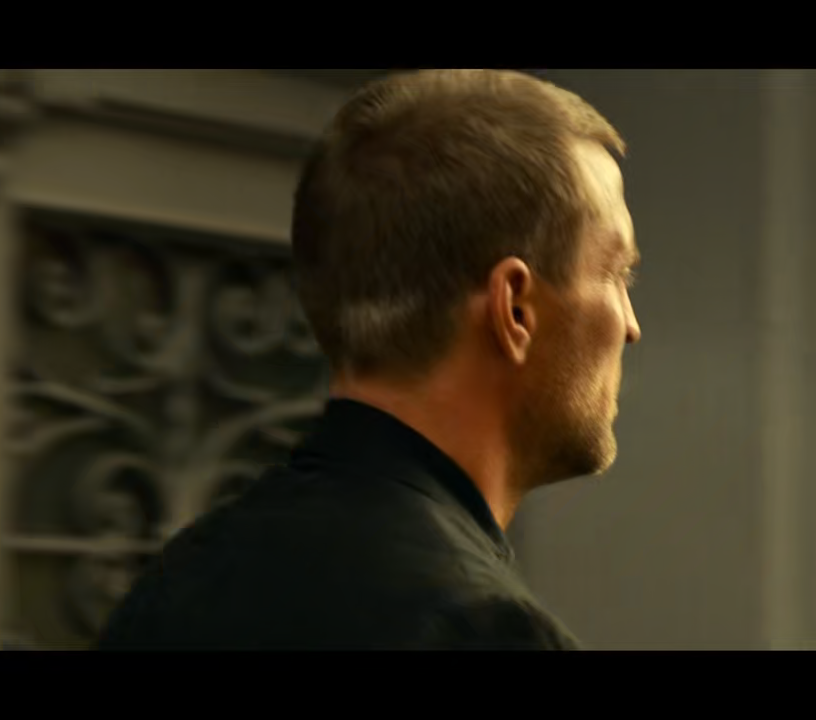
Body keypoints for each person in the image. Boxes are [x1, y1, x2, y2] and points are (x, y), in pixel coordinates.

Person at [95, 69, 641, 650]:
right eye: (617, 274)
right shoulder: (484, 631)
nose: (630, 326)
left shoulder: (176, 582)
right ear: (516, 310)